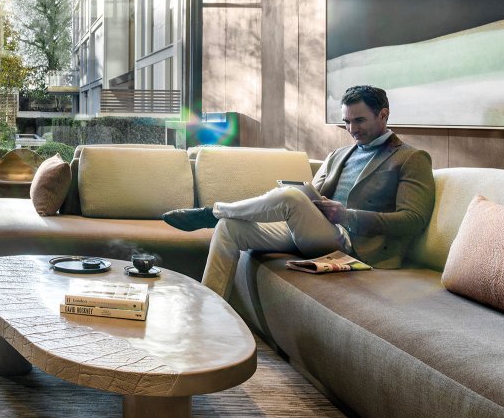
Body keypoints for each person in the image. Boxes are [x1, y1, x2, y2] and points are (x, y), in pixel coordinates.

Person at [163, 85, 435, 298]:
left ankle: (211, 211)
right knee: (230, 227)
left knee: (290, 198)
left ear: (383, 115)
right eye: (346, 121)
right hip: (319, 231)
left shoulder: (410, 158)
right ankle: (212, 310)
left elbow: (413, 220)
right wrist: (313, 198)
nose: (352, 129)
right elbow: (312, 194)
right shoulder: (339, 154)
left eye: (359, 121)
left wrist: (348, 216)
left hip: (358, 246)